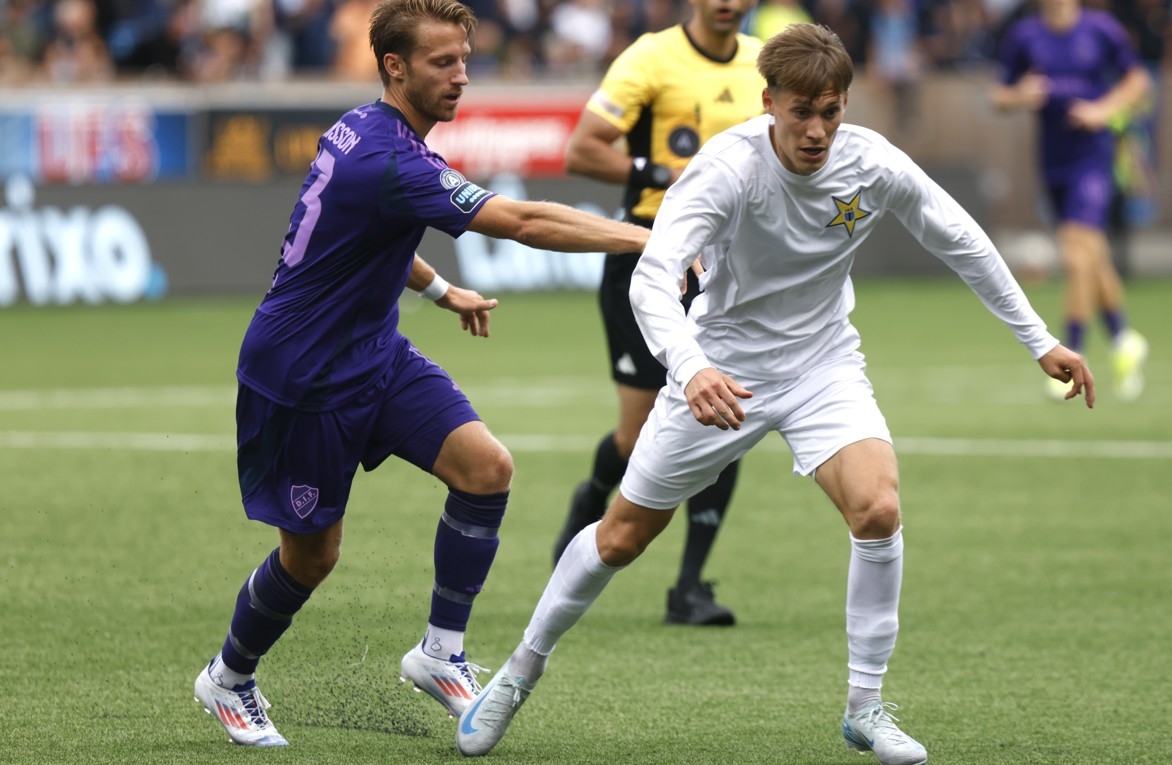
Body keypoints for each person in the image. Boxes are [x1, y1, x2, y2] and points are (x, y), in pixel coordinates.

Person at [454, 23, 1094, 764]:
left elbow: (961, 238)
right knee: (622, 535)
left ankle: (866, 705)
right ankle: (520, 669)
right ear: (770, 103)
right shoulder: (727, 168)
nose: (817, 130)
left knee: (879, 507)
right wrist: (691, 367)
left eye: (832, 111)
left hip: (823, 364)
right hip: (722, 367)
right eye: (802, 113)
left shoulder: (871, 163)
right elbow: (655, 276)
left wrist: (1038, 338)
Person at [191, 0, 649, 747]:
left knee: (485, 468)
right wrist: (645, 238)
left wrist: (442, 290)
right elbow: (526, 223)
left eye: (465, 60)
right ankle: (229, 676)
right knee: (312, 556)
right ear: (395, 68)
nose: (461, 76)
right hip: (303, 376)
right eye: (444, 62)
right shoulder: (390, 157)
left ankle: (440, 652)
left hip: (374, 350)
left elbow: (371, 238)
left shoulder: (366, 130)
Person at [555, 0, 765, 626]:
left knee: (729, 415)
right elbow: (581, 151)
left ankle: (690, 587)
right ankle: (589, 504)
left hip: (730, 264)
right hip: (650, 254)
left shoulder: (764, 65)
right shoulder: (650, 56)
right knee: (635, 431)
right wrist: (658, 170)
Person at [992, 0, 1151, 401]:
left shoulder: (1101, 29)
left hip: (1093, 157)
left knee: (1077, 255)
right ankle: (1123, 339)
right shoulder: (1025, 35)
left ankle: (1070, 352)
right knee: (1092, 254)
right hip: (1052, 161)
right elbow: (999, 96)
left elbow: (1137, 81)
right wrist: (1021, 95)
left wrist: (1103, 110)